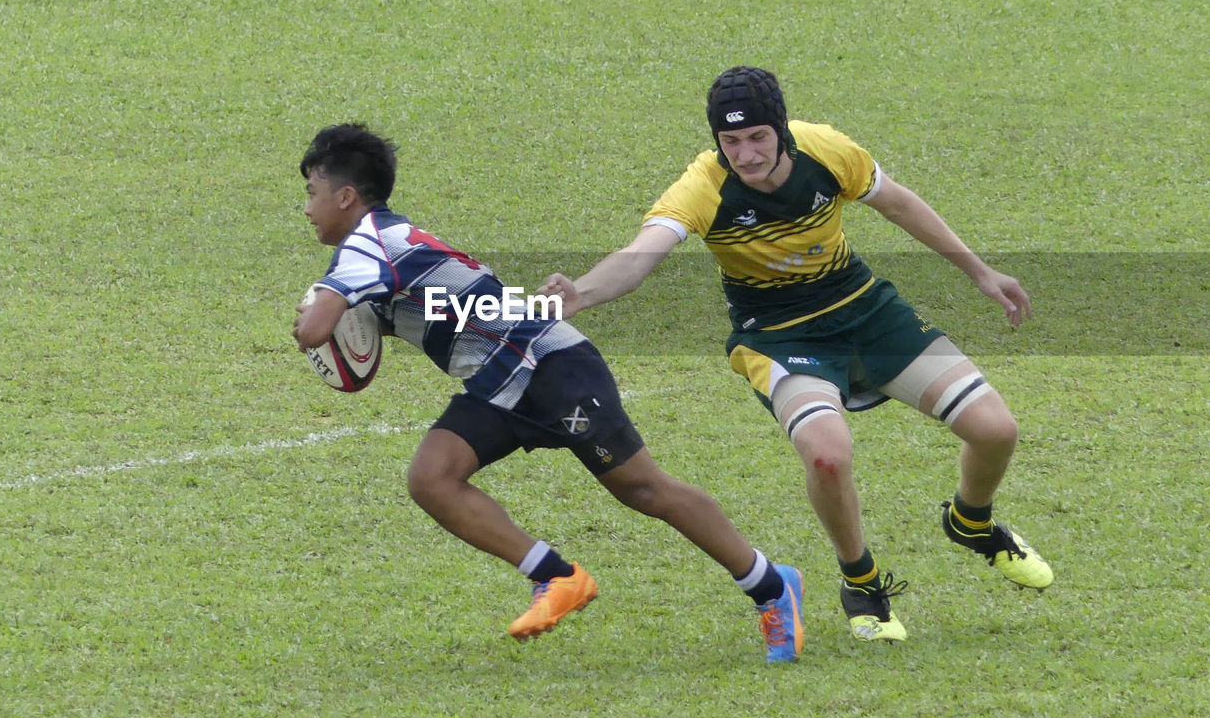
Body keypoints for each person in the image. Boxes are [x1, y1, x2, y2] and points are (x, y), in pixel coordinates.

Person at [541, 66, 1053, 644]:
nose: (747, 154)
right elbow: (640, 257)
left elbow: (901, 205)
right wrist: (580, 293)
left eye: (758, 137)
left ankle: (971, 522)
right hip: (777, 334)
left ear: (781, 128)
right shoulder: (704, 185)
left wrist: (980, 272)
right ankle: (860, 579)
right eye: (730, 142)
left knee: (996, 429)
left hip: (864, 308)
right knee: (826, 454)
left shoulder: (826, 150)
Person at [291, 121, 806, 662]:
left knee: (643, 489)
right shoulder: (387, 242)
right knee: (432, 478)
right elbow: (406, 327)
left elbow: (314, 331)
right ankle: (556, 577)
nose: (307, 208)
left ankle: (771, 585)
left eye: (312, 193)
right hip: (501, 377)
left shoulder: (367, 247)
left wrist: (311, 316)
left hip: (550, 365)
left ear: (345, 196)